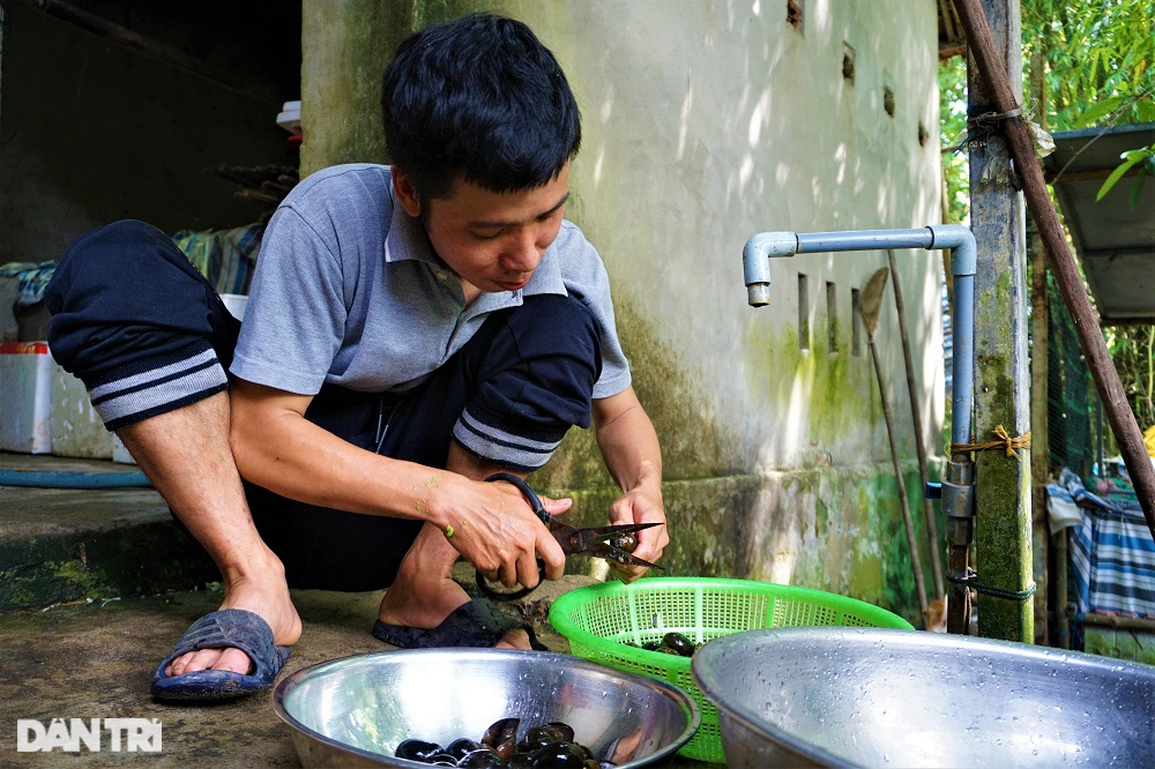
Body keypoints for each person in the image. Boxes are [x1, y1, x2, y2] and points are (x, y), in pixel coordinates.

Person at [43, 12, 667, 701]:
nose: (525, 256)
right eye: (489, 230)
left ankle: (424, 586)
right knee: (114, 263)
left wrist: (645, 486)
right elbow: (257, 433)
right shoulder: (330, 217)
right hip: (272, 502)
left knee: (560, 322)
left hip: (407, 534)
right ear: (408, 190)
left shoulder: (564, 261)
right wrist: (457, 496)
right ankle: (255, 581)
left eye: (547, 215)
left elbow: (621, 413)